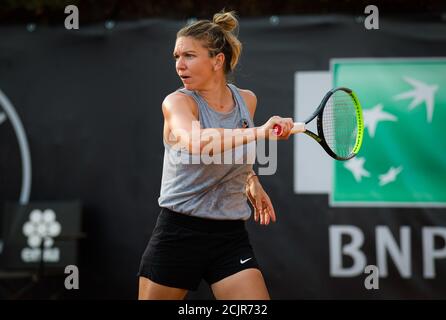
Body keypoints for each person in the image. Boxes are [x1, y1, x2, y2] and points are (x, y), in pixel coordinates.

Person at [138, 10, 294, 300]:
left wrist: (249, 178)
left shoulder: (246, 100)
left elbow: (231, 148)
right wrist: (261, 131)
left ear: (217, 60)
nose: (179, 65)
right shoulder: (177, 103)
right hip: (179, 232)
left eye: (189, 56)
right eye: (176, 57)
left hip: (229, 236)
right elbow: (199, 143)